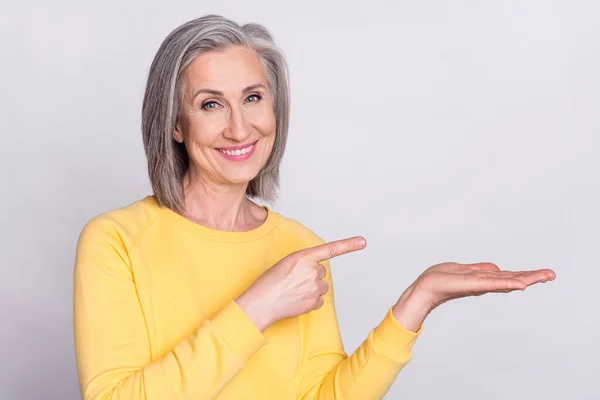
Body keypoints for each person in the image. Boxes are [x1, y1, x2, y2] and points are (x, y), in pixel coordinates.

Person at [72, 14, 556, 400]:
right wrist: (258, 306)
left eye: (253, 98)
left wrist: (417, 302)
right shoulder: (115, 240)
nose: (241, 129)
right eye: (211, 105)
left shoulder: (298, 247)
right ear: (175, 124)